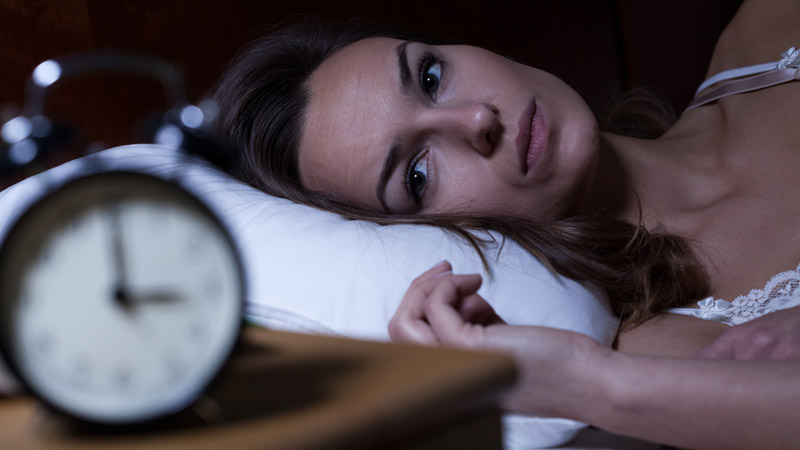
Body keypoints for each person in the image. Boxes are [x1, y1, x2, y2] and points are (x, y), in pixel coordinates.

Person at [212, 1, 800, 448]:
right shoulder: (674, 349)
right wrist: (587, 384)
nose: (475, 118)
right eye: (417, 175)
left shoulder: (768, 29)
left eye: (431, 77)